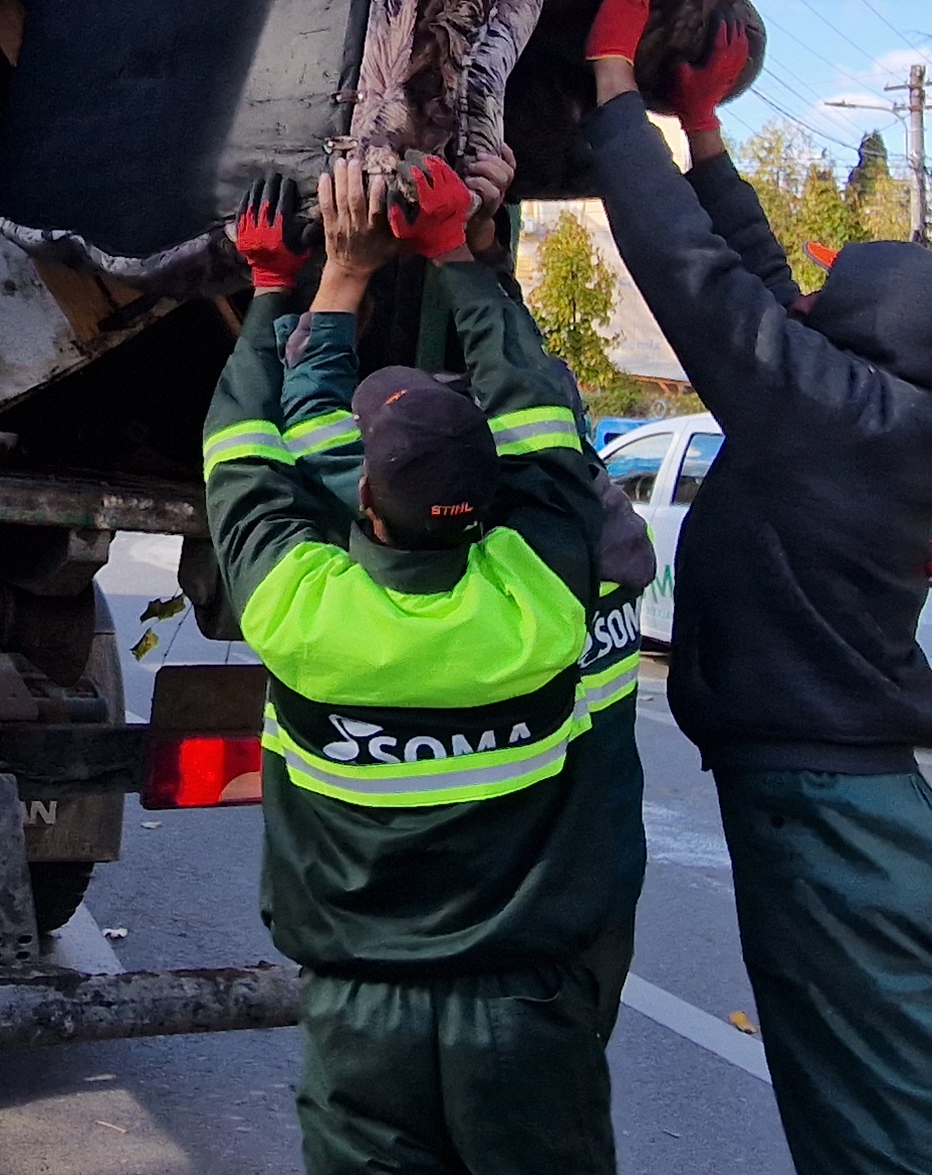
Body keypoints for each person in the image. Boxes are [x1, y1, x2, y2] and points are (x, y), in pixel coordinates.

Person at [573, 0, 932, 1175]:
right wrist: (703, 129)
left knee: (881, 1136)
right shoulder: (881, 404)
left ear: (860, 342)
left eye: (827, 309)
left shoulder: (834, 414)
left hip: (839, 833)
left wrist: (615, 75)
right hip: (853, 817)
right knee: (879, 1116)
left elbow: (697, 279)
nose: (800, 309)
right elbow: (763, 285)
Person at [199, 152, 639, 1175]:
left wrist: (303, 284)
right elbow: (538, 420)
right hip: (526, 1009)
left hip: (362, 1017)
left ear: (358, 503)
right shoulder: (545, 599)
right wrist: (457, 255)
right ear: (495, 514)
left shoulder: (305, 615)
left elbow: (247, 444)